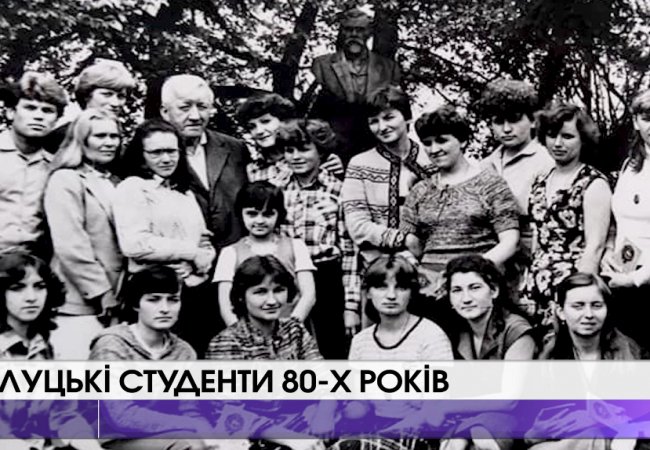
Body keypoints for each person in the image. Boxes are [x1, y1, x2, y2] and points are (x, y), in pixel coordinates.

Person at [114, 119, 216, 354]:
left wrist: (198, 265)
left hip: (193, 293)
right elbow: (135, 244)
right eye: (156, 152)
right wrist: (191, 253)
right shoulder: (133, 188)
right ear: (141, 155)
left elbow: (204, 242)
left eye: (172, 151)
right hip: (153, 295)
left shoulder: (185, 193)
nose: (166, 158)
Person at [400, 106, 520, 298]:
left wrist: (466, 274)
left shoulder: (490, 184)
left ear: (462, 140)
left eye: (442, 140)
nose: (434, 149)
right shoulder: (419, 190)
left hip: (477, 287)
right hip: (430, 291)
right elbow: (411, 245)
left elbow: (510, 242)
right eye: (427, 143)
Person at [90, 266, 211, 450]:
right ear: (136, 304)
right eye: (153, 300)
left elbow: (189, 409)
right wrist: (190, 426)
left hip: (165, 434)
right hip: (110, 439)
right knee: (186, 445)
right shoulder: (112, 345)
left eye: (173, 300)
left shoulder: (184, 352)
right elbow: (121, 416)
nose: (165, 309)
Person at [523, 104, 611, 339]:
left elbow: (595, 246)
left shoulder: (593, 183)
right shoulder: (540, 181)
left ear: (583, 139)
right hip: (538, 283)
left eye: (568, 136)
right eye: (552, 135)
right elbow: (538, 236)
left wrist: (577, 297)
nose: (558, 143)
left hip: (571, 283)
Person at [44, 108, 125, 359]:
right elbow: (70, 244)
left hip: (119, 300)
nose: (109, 142)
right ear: (82, 139)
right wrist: (102, 292)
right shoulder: (66, 180)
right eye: (100, 136)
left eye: (114, 136)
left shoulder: (116, 182)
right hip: (79, 301)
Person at [0, 252, 102, 450]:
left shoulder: (45, 349)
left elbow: (63, 415)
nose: (31, 297)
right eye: (17, 288)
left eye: (39, 287)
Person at [275, 119, 360, 356]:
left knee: (331, 349)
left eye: (304, 149)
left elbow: (350, 251)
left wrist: (351, 306)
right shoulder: (277, 189)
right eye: (289, 150)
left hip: (327, 278)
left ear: (320, 151)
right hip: (287, 278)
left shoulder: (339, 189)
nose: (295, 156)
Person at [342, 86, 434, 271]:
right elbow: (357, 224)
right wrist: (404, 240)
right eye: (374, 121)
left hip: (433, 260)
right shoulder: (359, 164)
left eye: (389, 117)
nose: (382, 127)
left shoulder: (432, 158)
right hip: (378, 266)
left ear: (407, 117)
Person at [159, 74, 248, 253]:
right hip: (183, 261)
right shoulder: (152, 154)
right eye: (184, 108)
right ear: (165, 112)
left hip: (236, 259)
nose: (195, 116)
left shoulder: (235, 149)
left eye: (202, 107)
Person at [213, 182, 316, 327]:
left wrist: (291, 329)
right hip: (248, 333)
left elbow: (308, 295)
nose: (260, 221)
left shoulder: (295, 246)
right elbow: (226, 306)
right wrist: (243, 335)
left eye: (268, 214)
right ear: (240, 213)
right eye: (252, 214)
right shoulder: (230, 253)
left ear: (279, 214)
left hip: (291, 328)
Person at [311, 7, 401, 163]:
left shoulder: (388, 68)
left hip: (374, 146)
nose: (354, 34)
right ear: (341, 32)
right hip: (336, 148)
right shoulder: (322, 64)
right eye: (348, 29)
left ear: (369, 33)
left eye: (360, 30)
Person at [479, 79, 554, 251]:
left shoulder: (546, 161)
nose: (506, 129)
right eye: (499, 121)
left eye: (514, 120)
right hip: (487, 245)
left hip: (531, 245)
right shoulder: (485, 165)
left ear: (533, 121)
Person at [602, 88, 650, 351]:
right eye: (647, 118)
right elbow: (622, 222)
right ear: (635, 121)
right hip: (624, 276)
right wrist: (611, 251)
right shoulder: (630, 166)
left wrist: (637, 279)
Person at [0, 71, 67, 256]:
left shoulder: (56, 167)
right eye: (30, 108)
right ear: (11, 112)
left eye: (47, 111)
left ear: (56, 120)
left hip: (33, 263)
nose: (38, 116)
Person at [207, 254, 320, 360]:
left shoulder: (294, 330)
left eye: (278, 290)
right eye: (261, 292)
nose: (272, 301)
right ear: (241, 296)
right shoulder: (226, 342)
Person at [348, 254, 453, 360]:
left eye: (401, 288)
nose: (391, 295)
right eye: (382, 287)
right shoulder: (360, 342)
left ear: (411, 293)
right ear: (368, 293)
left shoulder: (431, 336)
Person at [236, 93, 344, 185]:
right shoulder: (252, 169)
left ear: (284, 121)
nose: (259, 131)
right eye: (252, 127)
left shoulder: (310, 159)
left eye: (265, 121)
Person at [445, 255, 536, 360]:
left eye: (475, 288)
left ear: (494, 291)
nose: (466, 299)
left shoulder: (515, 329)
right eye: (457, 290)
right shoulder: (457, 329)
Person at [44, 59, 136, 153]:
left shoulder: (115, 139)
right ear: (87, 95)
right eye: (107, 94)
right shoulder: (63, 135)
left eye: (121, 96)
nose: (115, 103)